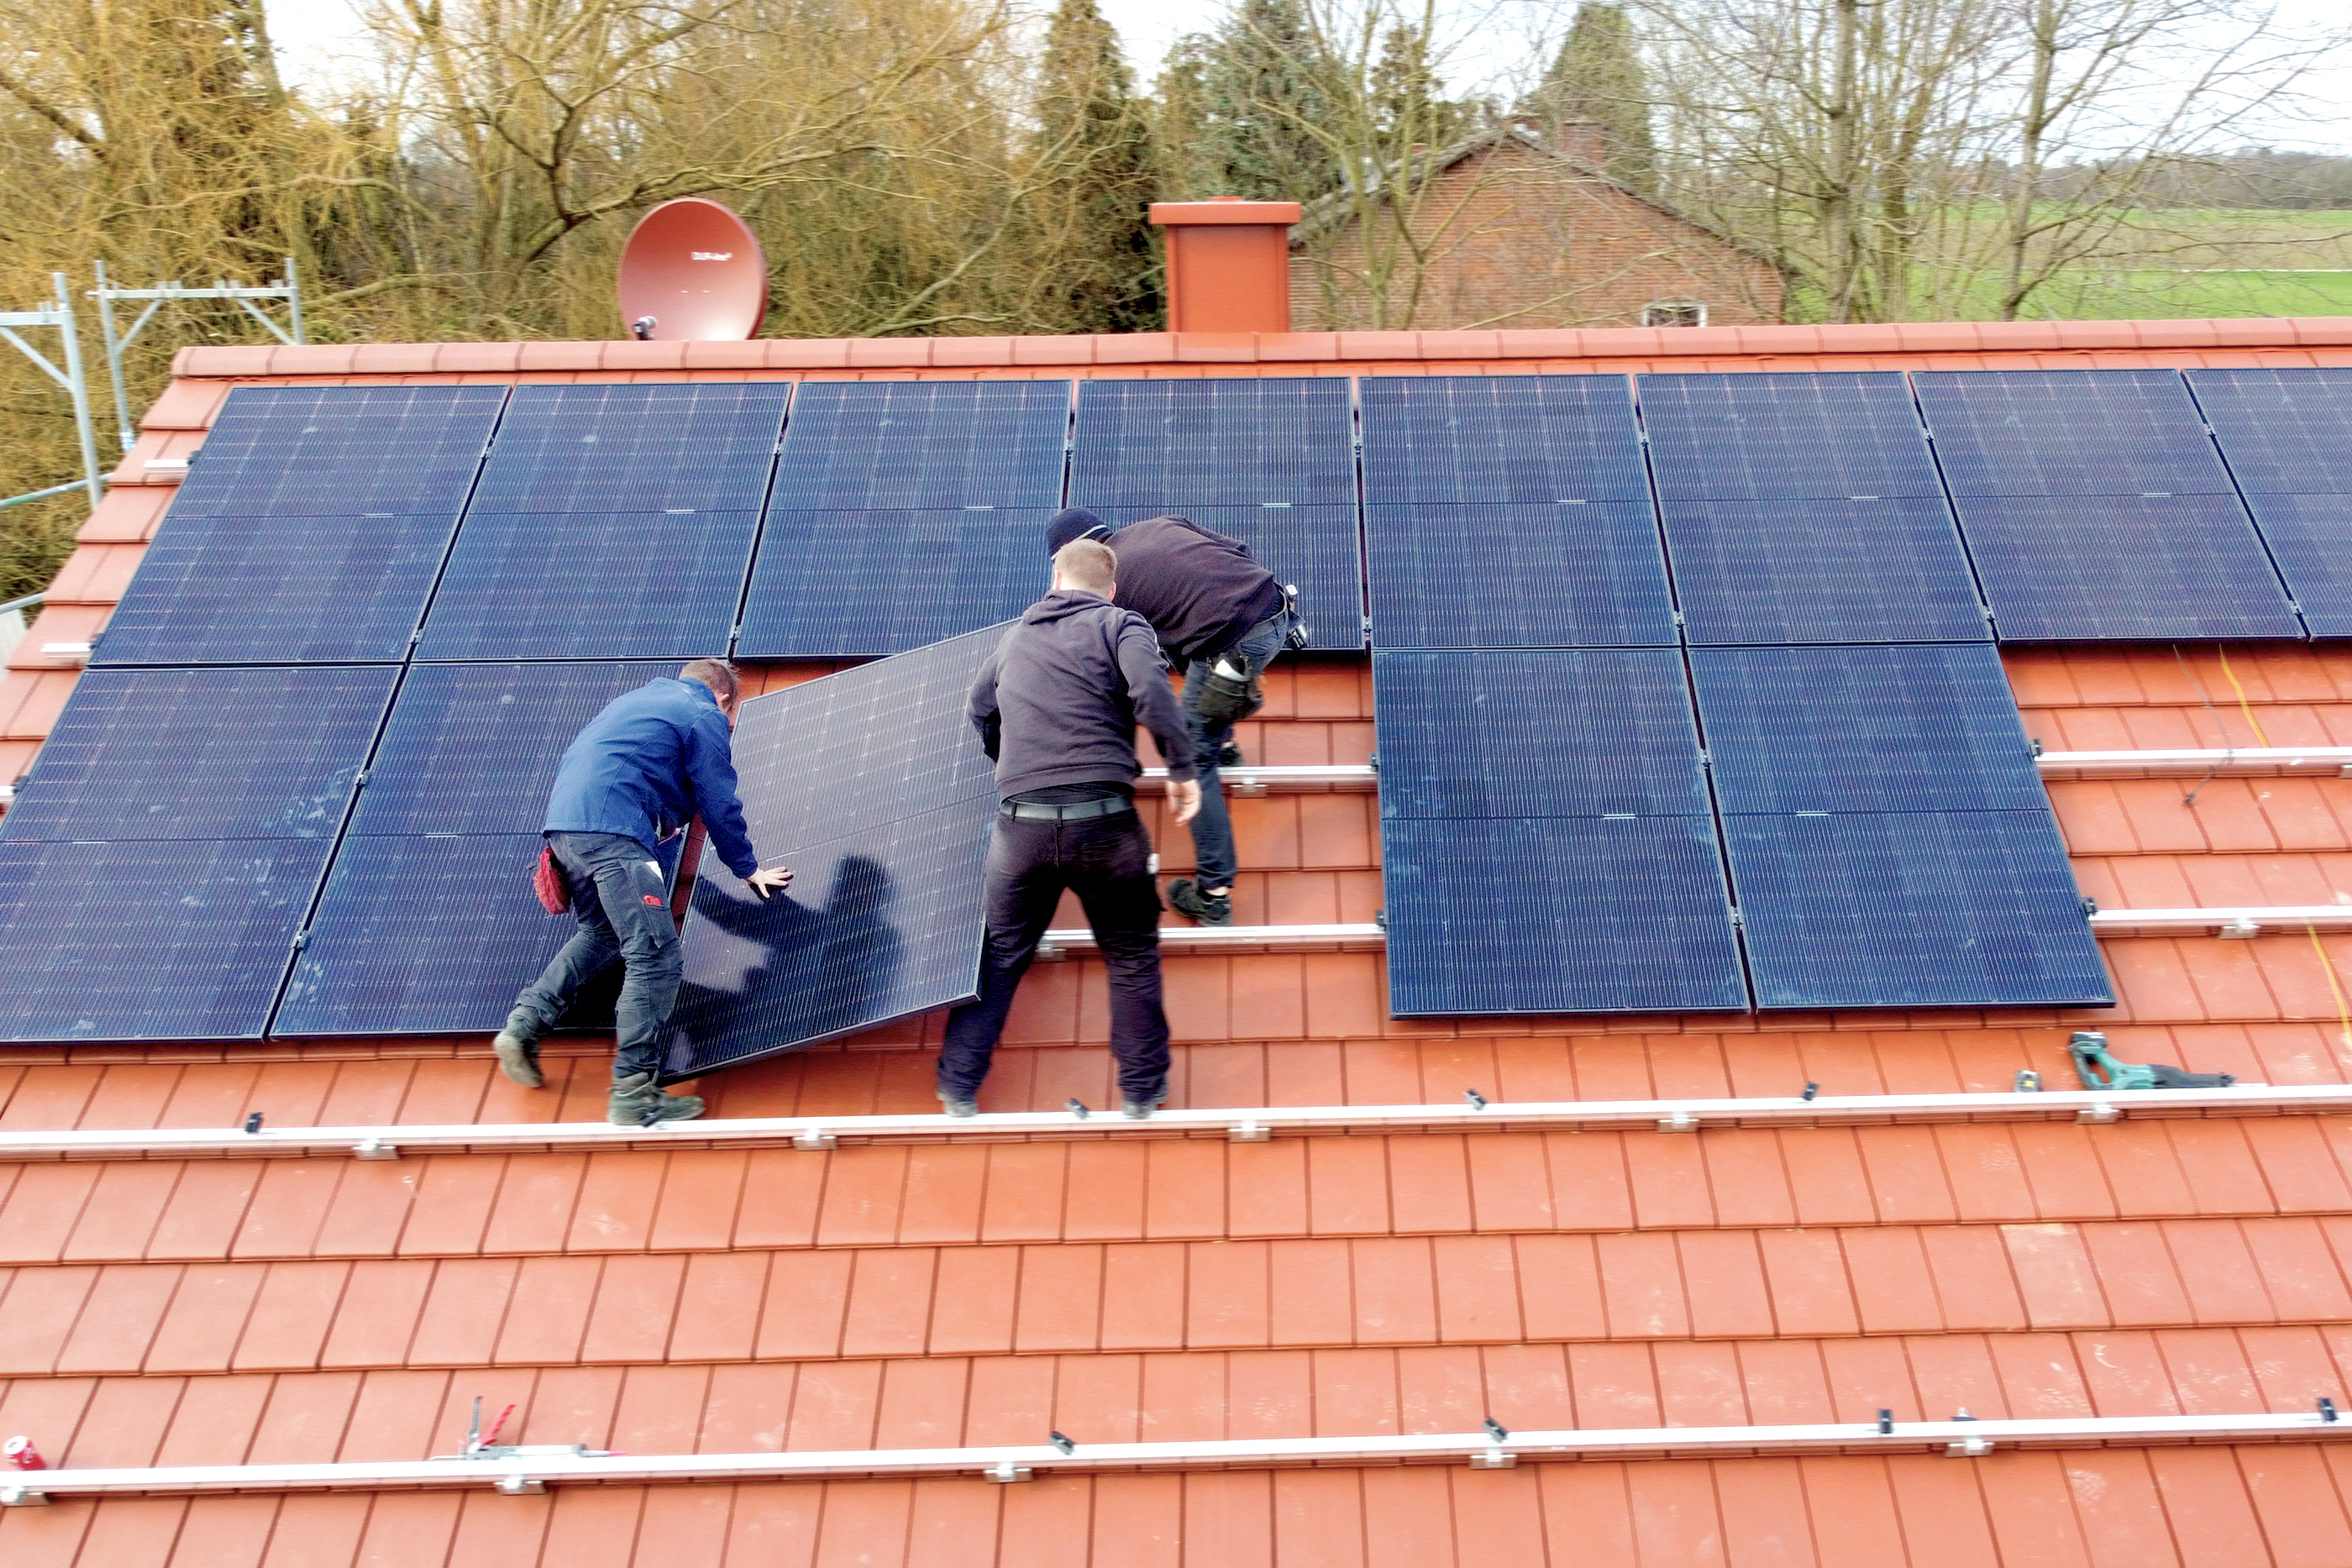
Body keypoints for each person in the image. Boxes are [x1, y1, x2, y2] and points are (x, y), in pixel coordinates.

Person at [937, 538, 1202, 1119]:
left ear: (1055, 578)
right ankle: (1140, 1090)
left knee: (1003, 953)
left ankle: (958, 1085)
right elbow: (1153, 693)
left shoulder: (1016, 636)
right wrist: (1181, 769)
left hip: (1021, 827)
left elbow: (979, 708)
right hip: (1103, 824)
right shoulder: (1120, 624)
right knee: (1131, 953)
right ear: (1110, 589)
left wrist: (1014, 763)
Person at [493, 658, 793, 1125]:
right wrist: (747, 867)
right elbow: (719, 798)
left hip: (566, 833)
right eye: (730, 718)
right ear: (723, 698)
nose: (727, 727)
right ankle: (634, 1095)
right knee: (655, 956)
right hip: (615, 835)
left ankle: (524, 1025)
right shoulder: (701, 712)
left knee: (603, 934)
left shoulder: (636, 703)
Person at [1043, 507, 1298, 928]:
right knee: (1194, 656)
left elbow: (1116, 668)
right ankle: (1226, 744)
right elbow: (1238, 551)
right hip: (1273, 608)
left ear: (1071, 558)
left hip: (1233, 646)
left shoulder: (1107, 587)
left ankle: (1214, 895)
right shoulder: (1160, 524)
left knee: (1194, 762)